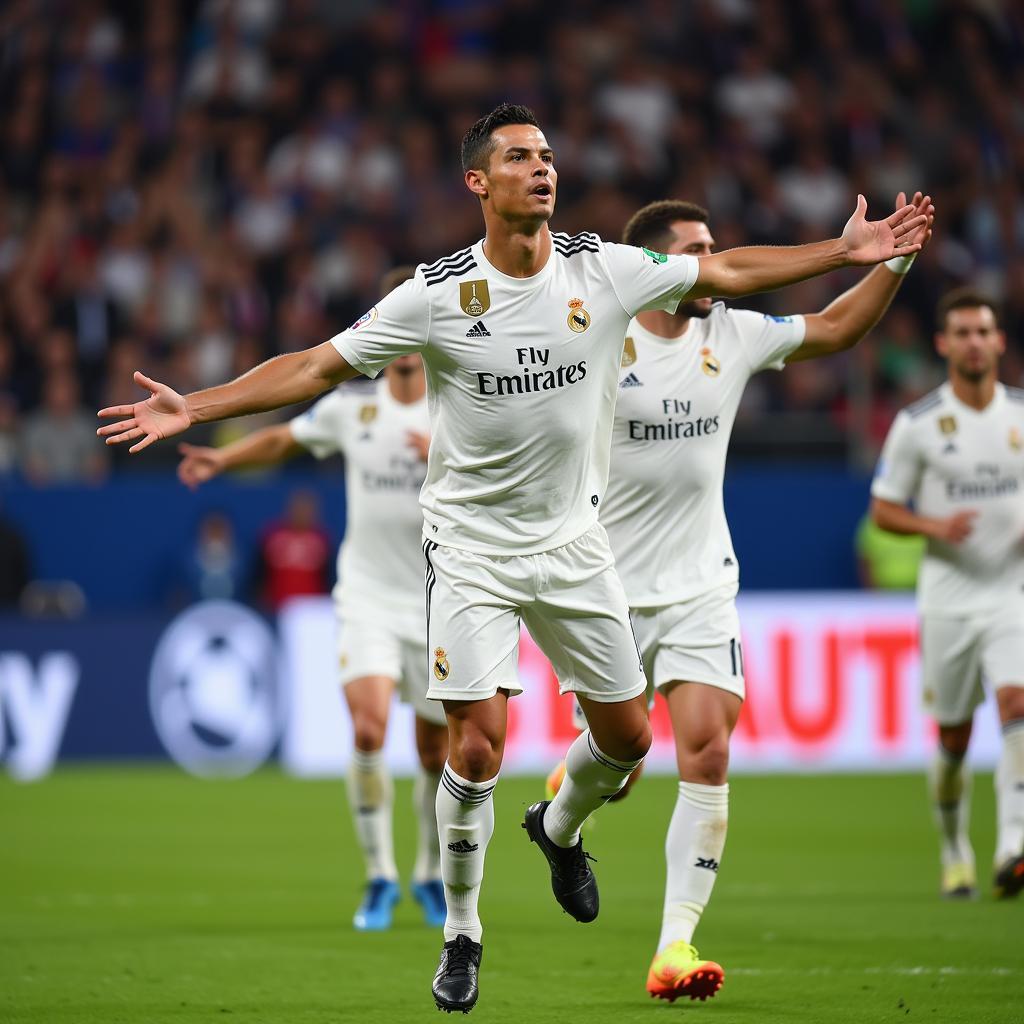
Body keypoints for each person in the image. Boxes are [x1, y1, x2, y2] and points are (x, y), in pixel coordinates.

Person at [98, 103, 930, 1014]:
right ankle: (462, 933)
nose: (543, 170)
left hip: (577, 547)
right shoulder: (435, 294)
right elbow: (313, 368)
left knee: (628, 740)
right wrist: (199, 407)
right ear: (477, 182)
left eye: (547, 156)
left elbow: (725, 268)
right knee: (479, 744)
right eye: (520, 158)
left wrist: (846, 253)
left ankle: (559, 828)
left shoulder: (605, 271)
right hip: (470, 551)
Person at [545, 193, 932, 1003]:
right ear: (656, 267)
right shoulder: (595, 338)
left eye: (715, 245)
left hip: (701, 585)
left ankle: (674, 948)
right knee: (619, 765)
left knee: (708, 751)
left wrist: (893, 259)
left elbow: (834, 328)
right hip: (604, 588)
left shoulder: (732, 334)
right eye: (697, 249)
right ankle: (559, 826)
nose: (715, 260)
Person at [177, 267, 448, 930]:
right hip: (368, 597)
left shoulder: (454, 407)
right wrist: (225, 459)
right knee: (366, 728)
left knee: (438, 755)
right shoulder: (352, 408)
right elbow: (285, 437)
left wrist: (445, 453)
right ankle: (379, 875)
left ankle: (430, 874)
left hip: (442, 600)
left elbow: (517, 463)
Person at [870, 288, 1024, 901]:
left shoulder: (1020, 415)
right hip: (949, 599)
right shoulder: (919, 425)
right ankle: (954, 846)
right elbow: (883, 509)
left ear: (999, 341)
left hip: (1011, 593)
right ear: (943, 344)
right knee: (955, 739)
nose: (974, 342)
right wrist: (936, 526)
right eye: (961, 333)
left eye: (983, 331)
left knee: (1016, 705)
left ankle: (1013, 844)